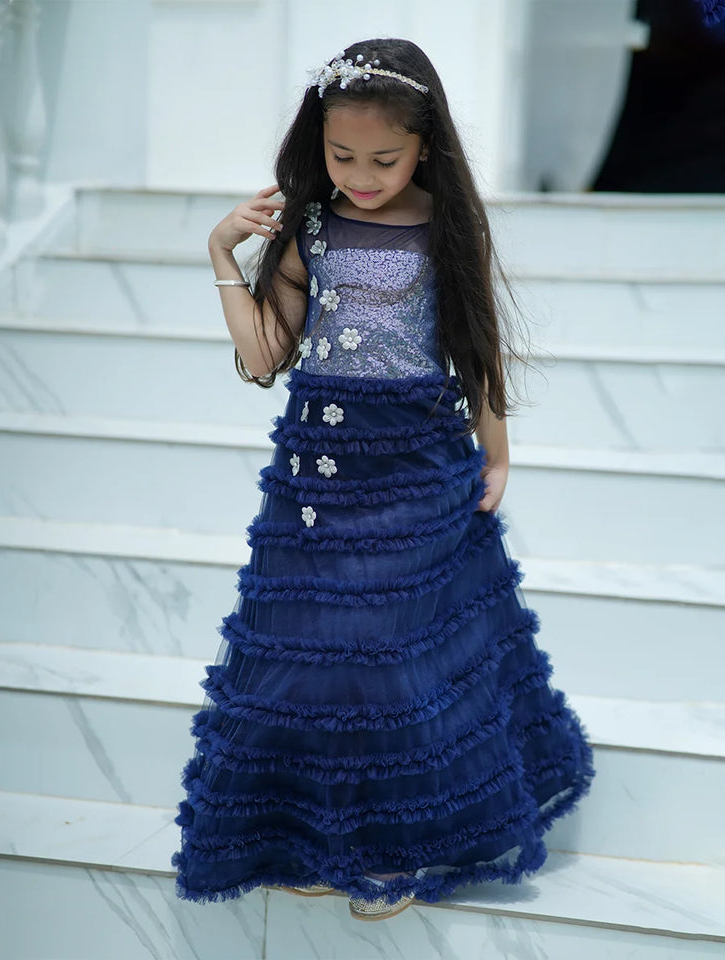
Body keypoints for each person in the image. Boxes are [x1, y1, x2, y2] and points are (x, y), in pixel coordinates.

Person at [172, 38, 595, 923]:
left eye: (384, 160)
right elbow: (266, 355)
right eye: (342, 157)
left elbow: (476, 345)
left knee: (395, 653)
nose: (361, 178)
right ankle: (323, 841)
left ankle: (399, 849)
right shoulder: (310, 229)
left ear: (425, 148)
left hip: (416, 461)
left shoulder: (447, 227)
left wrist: (498, 450)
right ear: (318, 145)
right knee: (318, 656)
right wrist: (222, 254)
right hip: (320, 471)